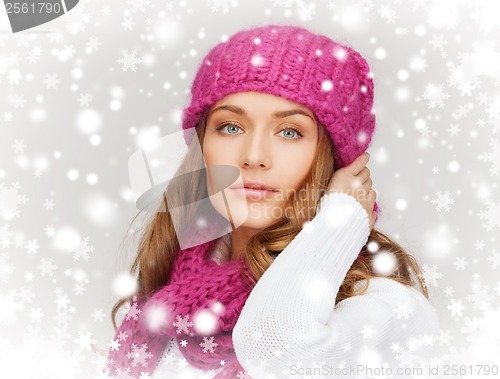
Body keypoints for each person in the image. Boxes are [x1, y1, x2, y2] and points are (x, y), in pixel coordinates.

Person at [103, 24, 439, 379]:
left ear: (337, 162)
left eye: (290, 132)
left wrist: (339, 221)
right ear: (201, 147)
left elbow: (277, 350)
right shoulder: (164, 303)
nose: (254, 156)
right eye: (231, 127)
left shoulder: (386, 309)